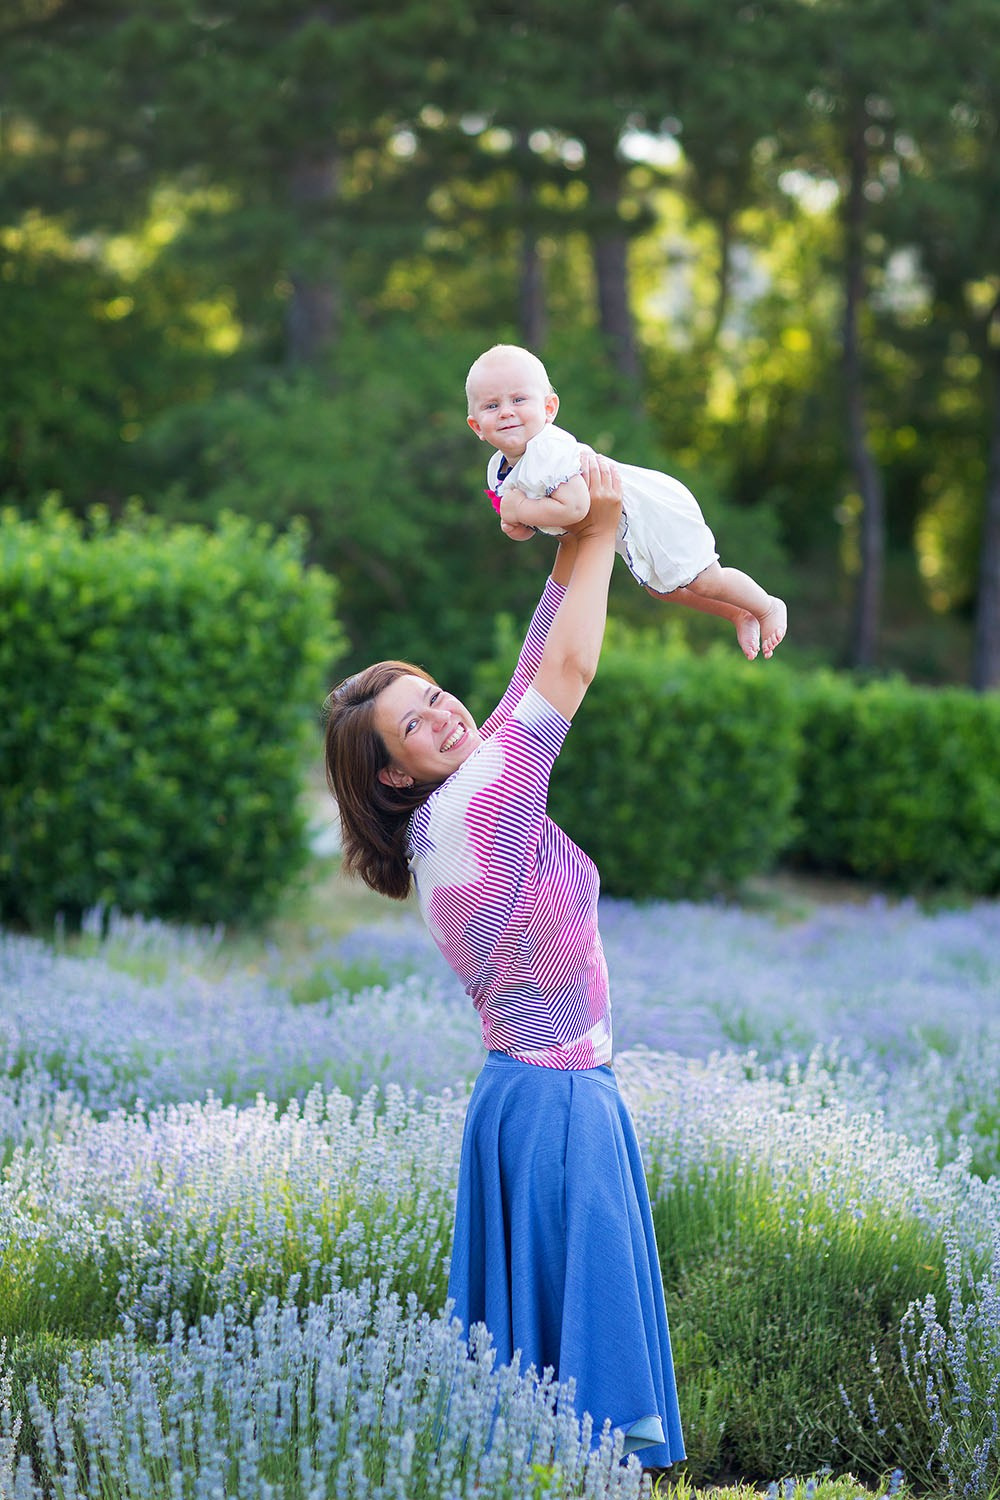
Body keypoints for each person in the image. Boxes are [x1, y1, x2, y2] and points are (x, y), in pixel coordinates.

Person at [323, 453, 685, 1471]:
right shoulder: (481, 800)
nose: (443, 712)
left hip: (524, 1100)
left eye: (434, 693)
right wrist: (604, 519)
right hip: (559, 1104)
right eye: (415, 722)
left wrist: (563, 513)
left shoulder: (449, 809)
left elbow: (533, 656)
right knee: (584, 1411)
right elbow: (564, 676)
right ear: (391, 771)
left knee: (541, 1396)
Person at [467, 341, 787, 662]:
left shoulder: (548, 449)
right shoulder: (499, 469)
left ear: (549, 409)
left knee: (706, 579)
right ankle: (738, 613)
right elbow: (531, 524)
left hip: (650, 509)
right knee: (664, 590)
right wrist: (515, 523)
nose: (506, 411)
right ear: (477, 426)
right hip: (626, 527)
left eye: (519, 399)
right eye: (492, 406)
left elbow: (574, 507)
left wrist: (518, 509)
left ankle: (766, 605)